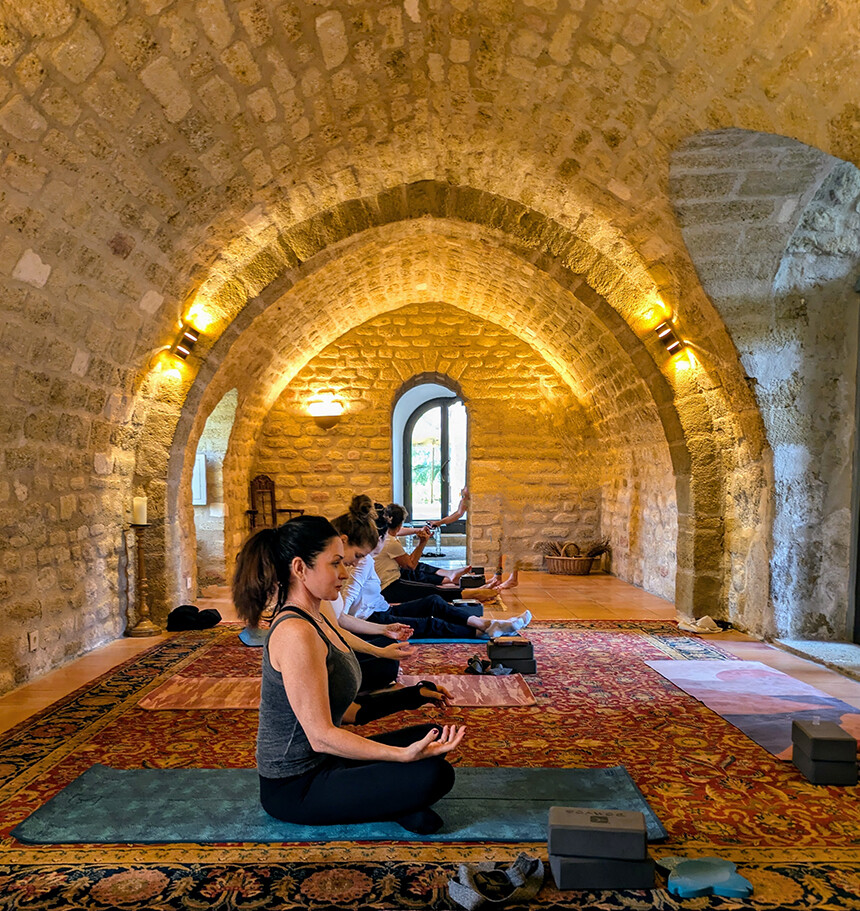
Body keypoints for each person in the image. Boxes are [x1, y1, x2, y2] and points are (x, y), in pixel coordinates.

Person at [232, 515, 464, 834]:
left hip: (327, 761)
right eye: (335, 564)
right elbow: (321, 735)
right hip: (295, 786)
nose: (345, 572)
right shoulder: (295, 633)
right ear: (300, 568)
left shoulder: (318, 615)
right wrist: (401, 756)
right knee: (434, 774)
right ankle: (389, 800)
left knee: (432, 735)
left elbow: (350, 712)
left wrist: (414, 695)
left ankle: (386, 799)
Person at [336, 496, 532, 640]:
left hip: (382, 608)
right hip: (373, 618)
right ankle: (482, 631)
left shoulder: (366, 557)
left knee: (433, 601)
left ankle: (485, 624)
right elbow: (343, 613)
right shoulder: (362, 562)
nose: (388, 539)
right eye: (385, 536)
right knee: (431, 624)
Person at [377, 503, 472, 602]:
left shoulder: (383, 533)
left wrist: (418, 530)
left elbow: (396, 531)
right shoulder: (390, 542)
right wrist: (422, 542)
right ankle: (476, 593)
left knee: (421, 570)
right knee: (432, 589)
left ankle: (450, 576)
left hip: (389, 579)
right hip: (387, 587)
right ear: (401, 523)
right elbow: (411, 565)